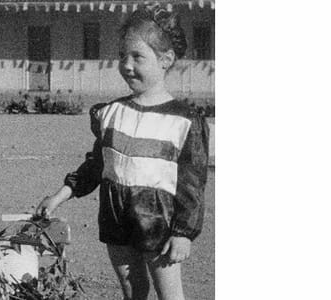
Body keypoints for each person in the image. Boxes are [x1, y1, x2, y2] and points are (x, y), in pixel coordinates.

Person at [35, 4, 209, 300]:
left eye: (138, 56)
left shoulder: (184, 121)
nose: (126, 65)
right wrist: (59, 196)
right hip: (116, 218)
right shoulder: (111, 113)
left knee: (170, 295)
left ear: (166, 59)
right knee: (132, 289)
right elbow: (96, 166)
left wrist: (183, 233)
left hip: (159, 224)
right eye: (122, 56)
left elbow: (192, 184)